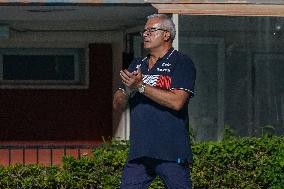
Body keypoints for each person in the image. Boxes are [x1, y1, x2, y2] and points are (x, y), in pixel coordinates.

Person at [113, 13, 196, 189]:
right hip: (140, 152)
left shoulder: (181, 62)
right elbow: (118, 104)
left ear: (167, 34)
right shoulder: (137, 64)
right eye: (144, 31)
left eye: (152, 30)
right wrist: (128, 88)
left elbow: (177, 102)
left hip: (170, 151)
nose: (145, 34)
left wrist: (141, 86)